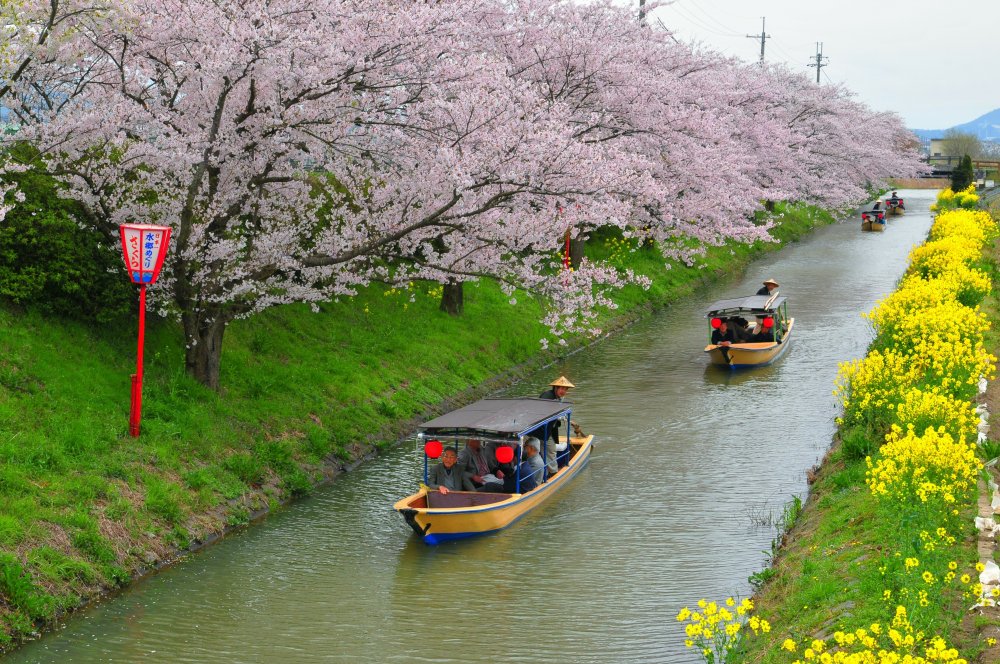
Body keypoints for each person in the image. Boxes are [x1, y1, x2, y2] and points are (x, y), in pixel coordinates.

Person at [535, 375, 574, 477]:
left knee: (548, 451)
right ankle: (553, 474)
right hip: (541, 430)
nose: (563, 391)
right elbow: (542, 411)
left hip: (548, 430)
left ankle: (548, 472)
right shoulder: (547, 397)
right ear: (556, 388)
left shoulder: (558, 398)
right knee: (550, 451)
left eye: (565, 389)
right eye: (561, 388)